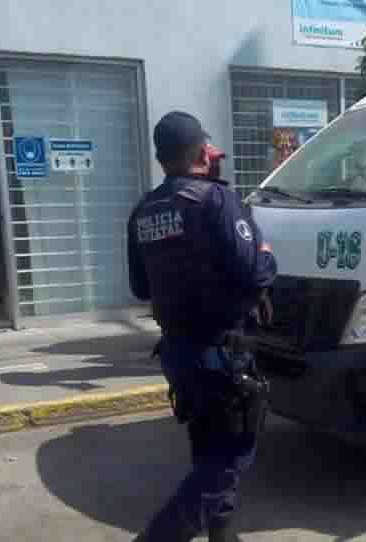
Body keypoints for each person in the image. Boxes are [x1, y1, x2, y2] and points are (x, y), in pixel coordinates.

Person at [128, 111, 277, 541]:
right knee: (229, 458)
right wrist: (265, 251)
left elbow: (140, 287)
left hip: (178, 353)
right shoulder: (216, 200)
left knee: (207, 448)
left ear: (161, 158)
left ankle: (223, 536)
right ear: (200, 152)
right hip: (223, 354)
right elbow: (255, 273)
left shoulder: (142, 210)